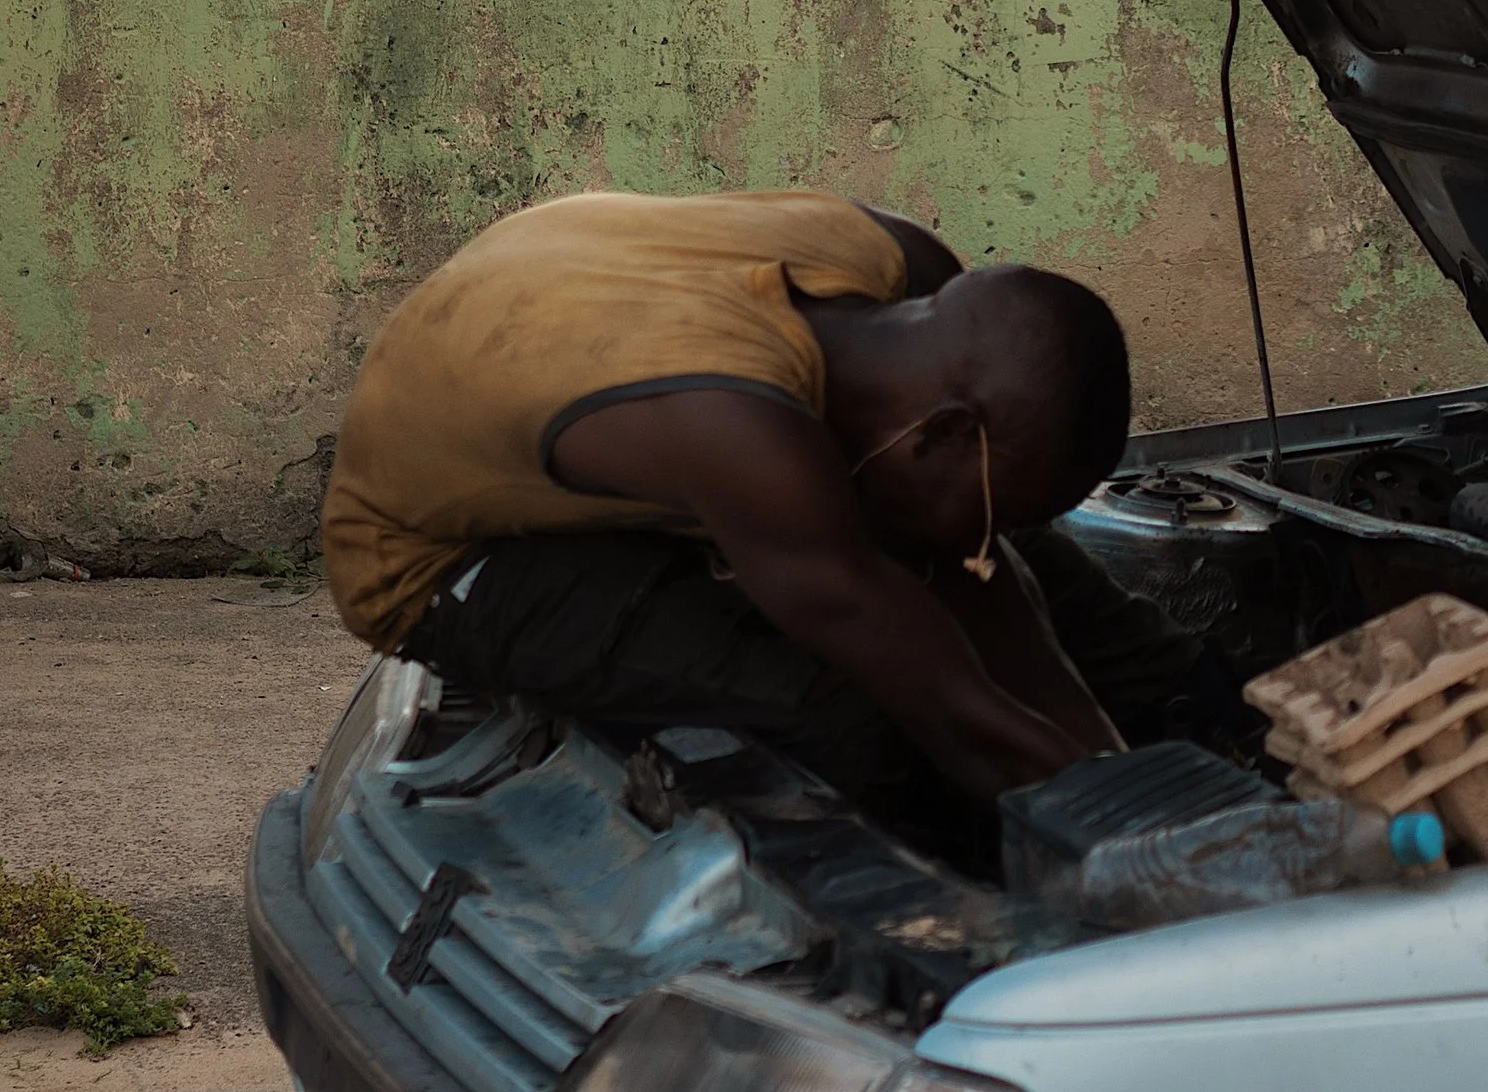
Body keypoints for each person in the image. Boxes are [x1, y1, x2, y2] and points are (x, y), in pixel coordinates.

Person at [319, 186, 1204, 816]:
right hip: (443, 557)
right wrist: (1119, 822)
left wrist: (1115, 763)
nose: (989, 543)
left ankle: (1229, 752)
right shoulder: (739, 429)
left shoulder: (905, 268)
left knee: (1057, 591)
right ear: (938, 431)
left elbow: (987, 583)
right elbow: (943, 694)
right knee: (850, 717)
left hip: (557, 341)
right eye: (989, 513)